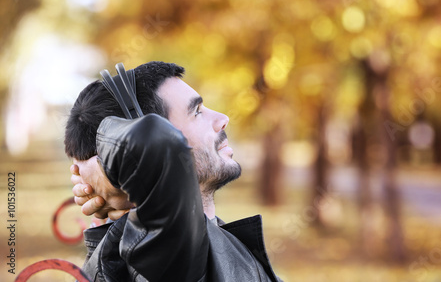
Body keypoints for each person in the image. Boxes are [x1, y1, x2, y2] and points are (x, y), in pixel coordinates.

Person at [65, 61, 282, 282]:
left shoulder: (199, 235)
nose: (222, 119)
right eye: (196, 111)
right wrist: (107, 174)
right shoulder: (166, 253)